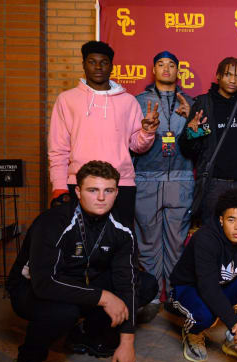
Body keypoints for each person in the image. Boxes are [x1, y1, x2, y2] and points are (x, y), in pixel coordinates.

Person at [7, 161, 158, 362]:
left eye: (108, 191)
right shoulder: (53, 222)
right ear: (78, 192)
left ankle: (87, 333)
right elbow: (45, 283)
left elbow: (126, 281)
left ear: (117, 193)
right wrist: (104, 297)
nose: (101, 198)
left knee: (145, 284)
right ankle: (29, 358)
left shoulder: (121, 228)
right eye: (92, 190)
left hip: (84, 284)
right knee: (63, 312)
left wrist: (127, 340)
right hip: (34, 288)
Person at [48, 40, 159, 227]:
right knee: (79, 245)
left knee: (121, 242)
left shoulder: (128, 101)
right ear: (84, 64)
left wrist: (147, 131)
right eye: (92, 61)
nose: (98, 67)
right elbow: (58, 149)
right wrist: (59, 186)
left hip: (120, 184)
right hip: (80, 184)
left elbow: (137, 146)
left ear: (111, 66)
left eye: (104, 62)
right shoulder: (66, 100)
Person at [169, 189, 237, 362]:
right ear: (221, 220)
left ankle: (235, 338)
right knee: (204, 316)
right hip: (187, 289)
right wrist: (236, 325)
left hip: (221, 285)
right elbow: (207, 287)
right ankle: (193, 332)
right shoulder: (206, 238)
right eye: (231, 219)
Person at [133, 51, 195, 322]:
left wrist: (192, 121)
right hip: (146, 177)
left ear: (178, 70)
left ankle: (174, 296)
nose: (166, 69)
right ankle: (148, 297)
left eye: (172, 65)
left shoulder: (190, 102)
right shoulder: (138, 102)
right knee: (147, 241)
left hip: (180, 179)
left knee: (176, 243)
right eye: (161, 64)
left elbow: (201, 143)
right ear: (153, 69)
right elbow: (130, 142)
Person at [178, 57, 237, 225]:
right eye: (228, 74)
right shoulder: (205, 103)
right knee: (211, 235)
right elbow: (189, 150)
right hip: (214, 183)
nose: (233, 80)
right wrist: (191, 133)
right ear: (218, 76)